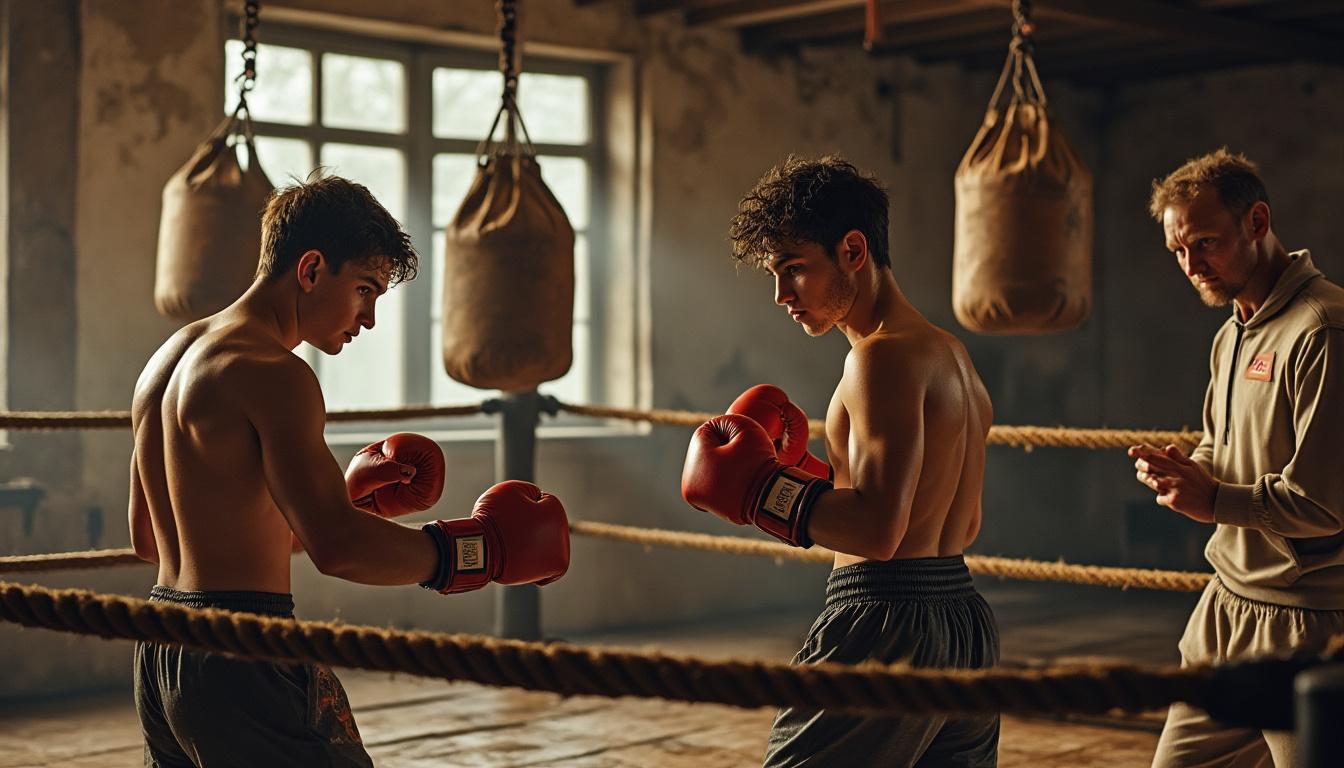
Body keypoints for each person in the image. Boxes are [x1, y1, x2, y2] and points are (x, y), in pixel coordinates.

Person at [128, 174, 571, 766]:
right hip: (244, 652)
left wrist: (346, 502)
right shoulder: (275, 374)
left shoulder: (168, 358)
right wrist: (475, 552)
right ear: (310, 269)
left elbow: (147, 537)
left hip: (161, 649)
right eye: (364, 289)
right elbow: (336, 548)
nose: (367, 318)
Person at [681, 155, 1000, 767]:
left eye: (795, 271)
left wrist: (762, 491)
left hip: (884, 623)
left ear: (852, 249)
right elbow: (958, 524)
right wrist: (814, 482)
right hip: (962, 620)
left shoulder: (879, 360)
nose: (781, 296)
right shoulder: (952, 356)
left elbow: (879, 531)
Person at [1133, 148, 1344, 768]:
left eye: (1205, 243)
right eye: (1178, 251)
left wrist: (1215, 500)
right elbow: (1219, 448)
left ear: (1257, 222)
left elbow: (1324, 506)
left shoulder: (1323, 331)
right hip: (1226, 610)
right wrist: (1186, 470)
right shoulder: (1233, 332)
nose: (1191, 264)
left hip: (1311, 622)